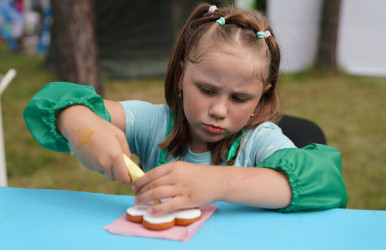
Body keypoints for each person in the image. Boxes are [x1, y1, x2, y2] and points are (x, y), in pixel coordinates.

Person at [24, 4, 347, 214]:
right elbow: (53, 99)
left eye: (239, 98)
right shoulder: (153, 124)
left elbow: (326, 181)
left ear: (262, 97)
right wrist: (80, 124)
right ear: (180, 76)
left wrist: (218, 183)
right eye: (206, 90)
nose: (219, 110)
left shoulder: (259, 141)